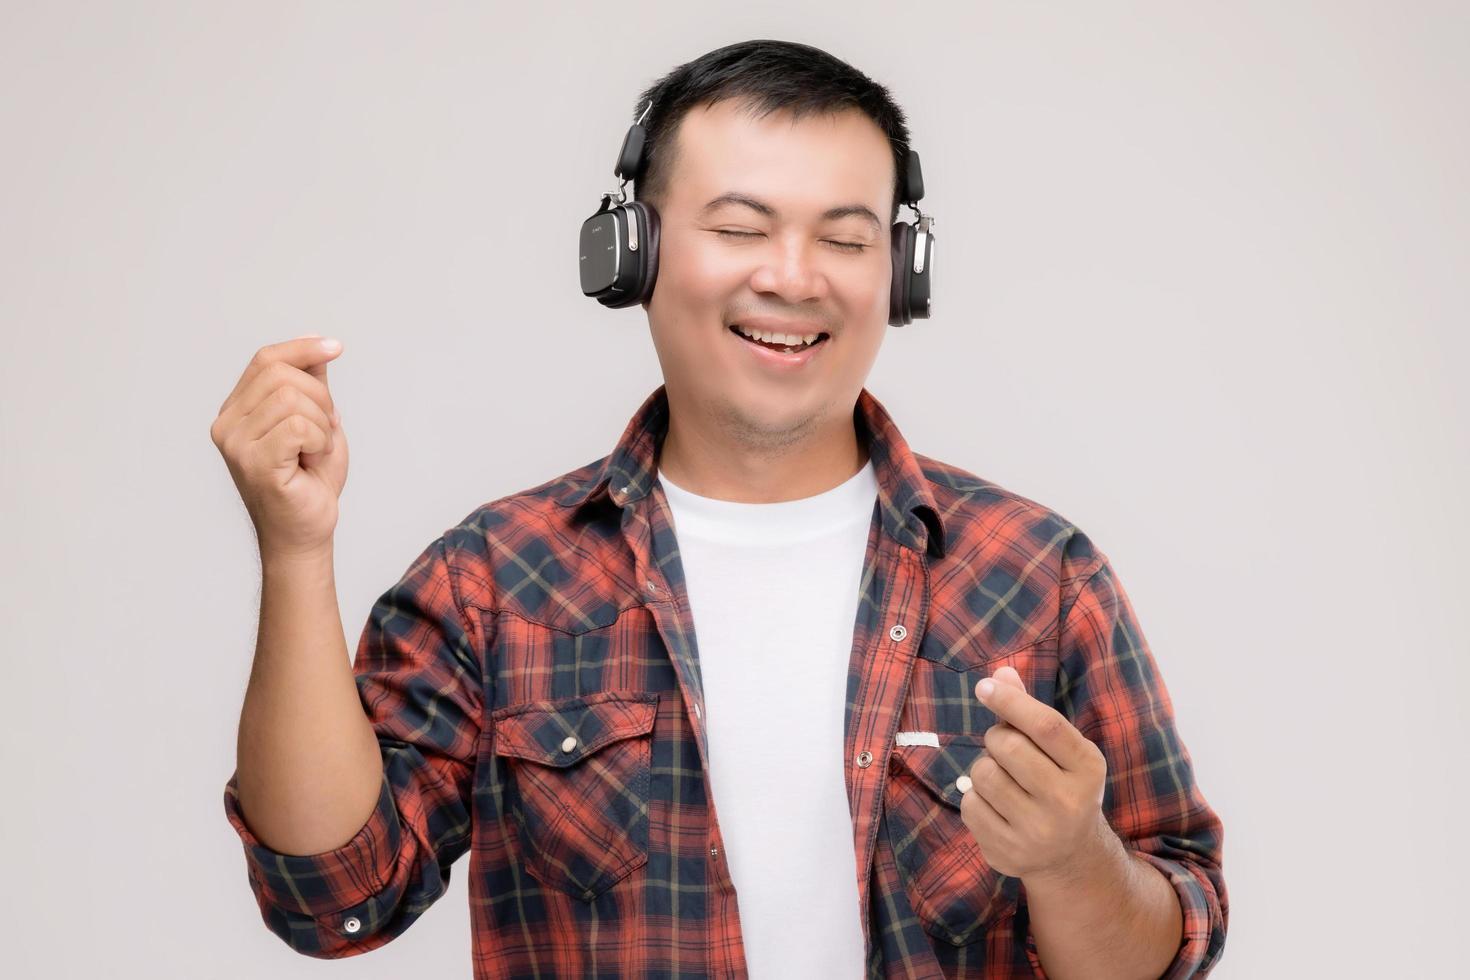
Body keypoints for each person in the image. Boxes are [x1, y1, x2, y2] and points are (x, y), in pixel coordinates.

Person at [213, 39, 1227, 979]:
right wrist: (296, 549)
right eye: (742, 228)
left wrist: (1072, 858)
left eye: (845, 238)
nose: (792, 277)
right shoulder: (494, 578)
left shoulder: (1037, 574)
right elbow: (333, 896)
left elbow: (1166, 944)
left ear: (899, 275)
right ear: (634, 256)